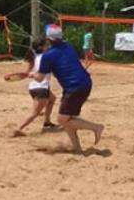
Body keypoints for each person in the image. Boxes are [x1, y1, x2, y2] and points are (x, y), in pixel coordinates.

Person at [31, 24, 104, 154]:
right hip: (84, 82)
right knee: (68, 120)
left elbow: (40, 78)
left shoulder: (48, 55)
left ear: (48, 39)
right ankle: (77, 148)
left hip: (74, 87)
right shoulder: (68, 46)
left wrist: (32, 74)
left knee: (62, 119)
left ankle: (96, 127)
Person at [14, 37, 57, 136]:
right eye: (47, 45)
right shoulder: (46, 58)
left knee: (52, 99)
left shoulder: (36, 57)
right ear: (41, 47)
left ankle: (47, 121)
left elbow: (28, 72)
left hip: (34, 87)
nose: (49, 46)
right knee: (35, 113)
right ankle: (18, 128)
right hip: (41, 88)